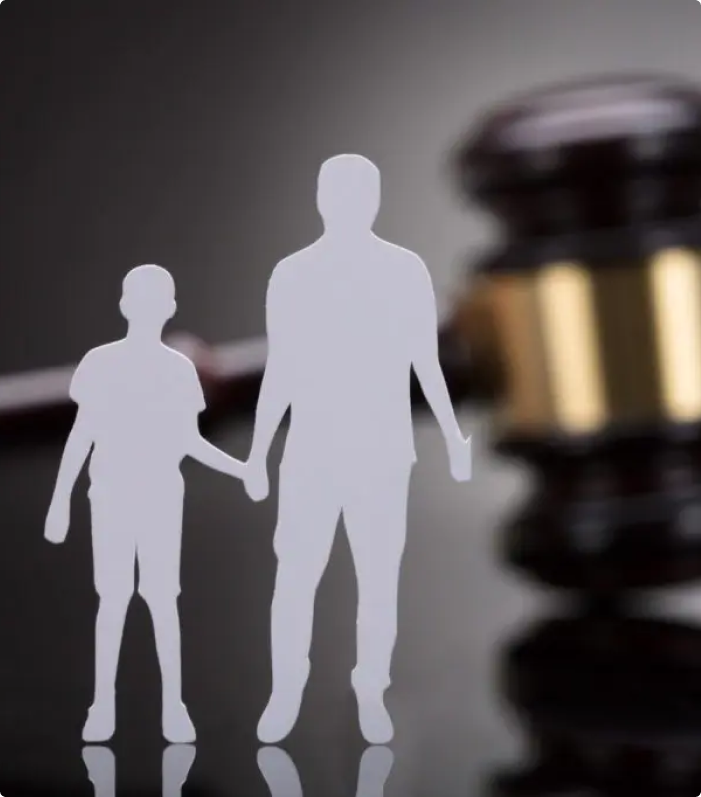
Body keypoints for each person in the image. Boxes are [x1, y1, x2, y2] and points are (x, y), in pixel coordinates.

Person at [245, 154, 471, 745]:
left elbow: (428, 364)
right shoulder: (292, 274)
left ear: (373, 201)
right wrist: (259, 450)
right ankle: (285, 692)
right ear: (322, 201)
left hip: (381, 450)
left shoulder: (405, 271)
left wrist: (451, 437)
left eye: (358, 193)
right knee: (296, 575)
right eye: (338, 193)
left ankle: (370, 689)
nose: (348, 204)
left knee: (376, 578)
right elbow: (279, 370)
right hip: (313, 449)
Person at [44, 264, 246, 744]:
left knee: (161, 602)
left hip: (159, 501)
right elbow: (82, 434)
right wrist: (60, 499)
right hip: (111, 498)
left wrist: (241, 468)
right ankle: (103, 707)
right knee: (113, 602)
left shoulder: (180, 373)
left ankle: (173, 706)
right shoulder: (100, 367)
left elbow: (189, 440)